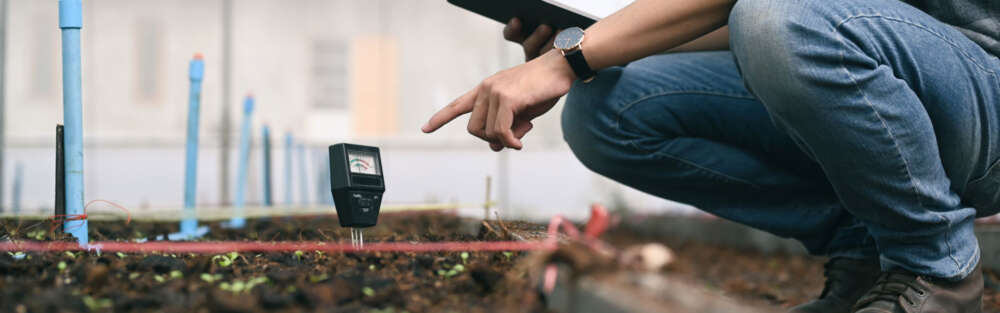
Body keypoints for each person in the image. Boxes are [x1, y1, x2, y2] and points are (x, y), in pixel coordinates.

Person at [423, 0, 1000, 312]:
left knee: (779, 16)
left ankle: (938, 271)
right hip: (888, 62)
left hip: (986, 90)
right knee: (608, 107)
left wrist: (562, 62)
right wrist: (580, 45)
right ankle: (867, 255)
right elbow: (734, 21)